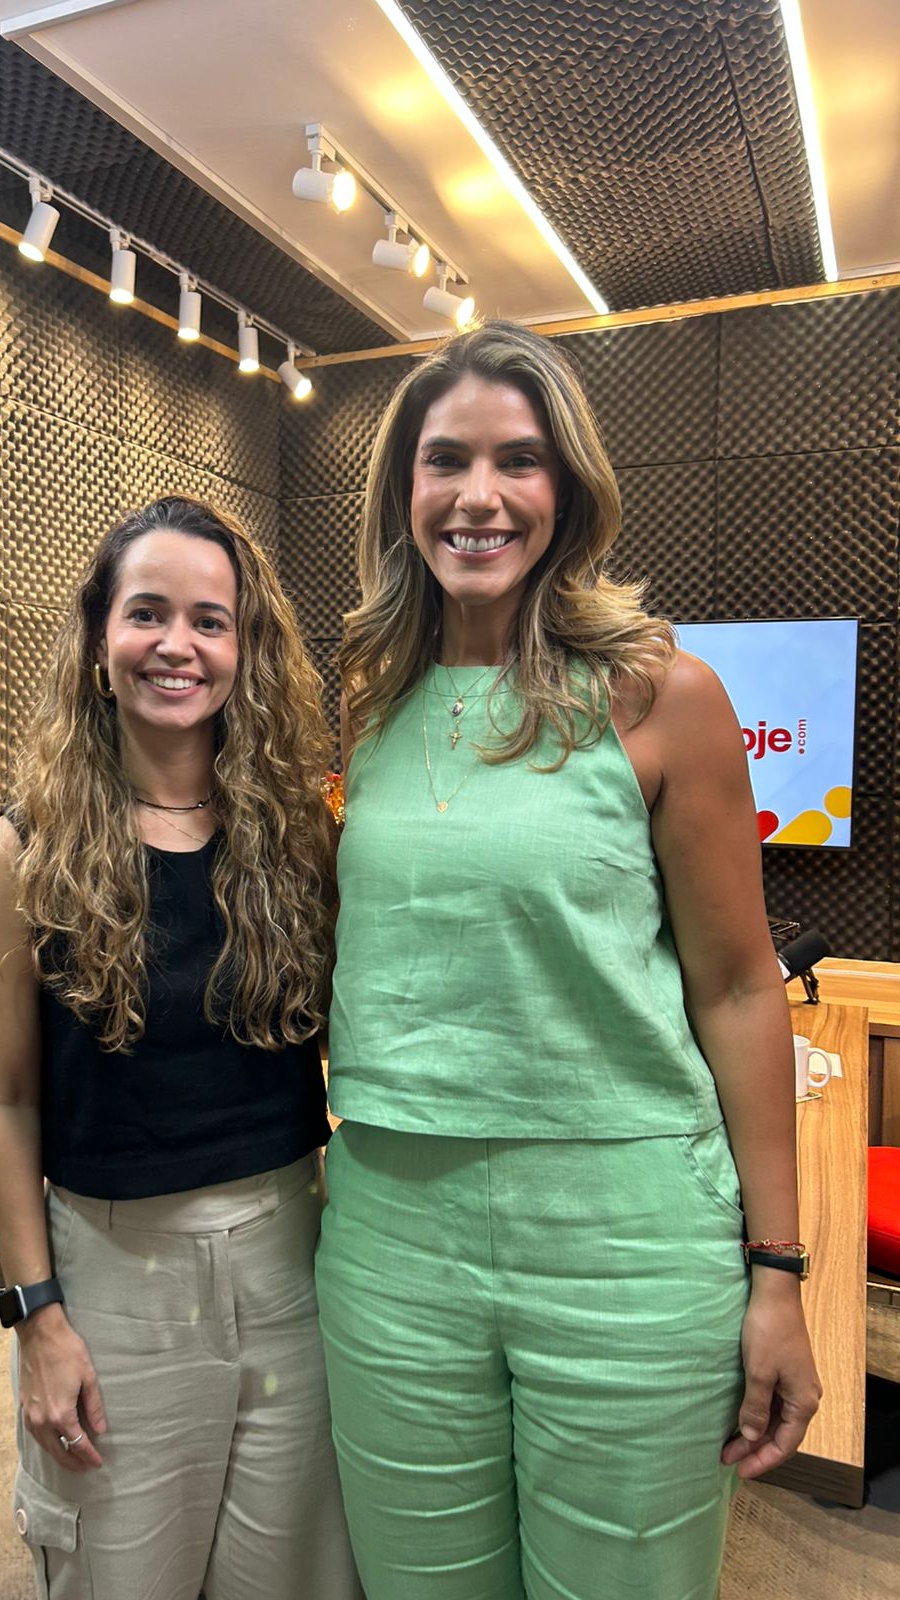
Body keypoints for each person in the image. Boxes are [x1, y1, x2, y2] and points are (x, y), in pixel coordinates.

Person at [316, 322, 821, 1600]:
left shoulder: (663, 696)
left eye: (518, 461)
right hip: (391, 1236)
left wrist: (778, 1273)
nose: (478, 496)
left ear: (569, 489)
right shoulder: (369, 703)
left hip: (628, 1240)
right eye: (446, 460)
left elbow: (739, 987)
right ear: (404, 489)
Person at [0, 495, 361, 1600]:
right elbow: (1, 1100)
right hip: (112, 1276)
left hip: (293, 1258)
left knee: (295, 1579)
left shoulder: (299, 838)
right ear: (100, 640)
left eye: (209, 620)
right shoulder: (22, 851)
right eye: (147, 613)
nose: (177, 644)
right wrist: (37, 1318)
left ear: (245, 649)